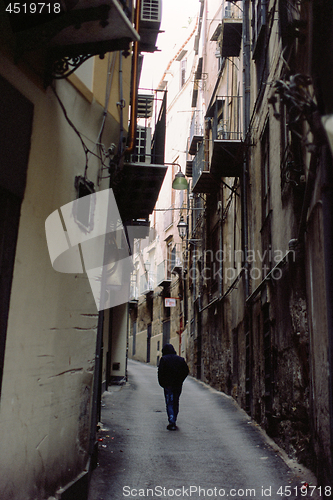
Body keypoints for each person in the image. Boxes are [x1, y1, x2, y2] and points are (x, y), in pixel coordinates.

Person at [158, 343, 189, 430]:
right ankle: (174, 418)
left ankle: (172, 421)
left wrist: (163, 383)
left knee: (169, 403)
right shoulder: (180, 359)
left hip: (168, 385)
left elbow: (160, 373)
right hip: (178, 385)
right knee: (176, 401)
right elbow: (186, 371)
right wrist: (180, 380)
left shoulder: (164, 359)